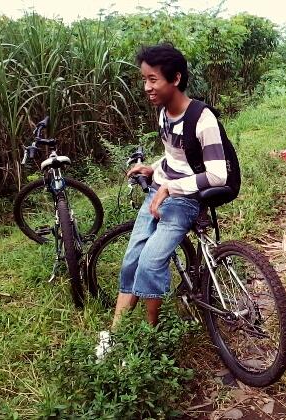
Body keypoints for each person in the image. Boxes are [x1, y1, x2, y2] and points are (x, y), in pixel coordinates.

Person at [96, 44, 228, 358]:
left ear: (176, 78)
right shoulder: (163, 114)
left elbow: (218, 175)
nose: (147, 87)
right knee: (131, 259)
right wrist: (153, 168)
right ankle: (115, 333)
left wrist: (170, 188)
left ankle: (148, 337)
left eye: (153, 79)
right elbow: (174, 155)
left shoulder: (202, 118)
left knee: (151, 261)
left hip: (186, 199)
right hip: (161, 191)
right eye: (144, 79)